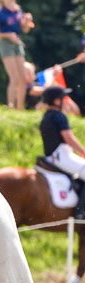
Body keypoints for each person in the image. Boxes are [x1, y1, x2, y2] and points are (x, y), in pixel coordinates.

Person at [0, 0, 35, 110]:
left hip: (17, 43)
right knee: (14, 77)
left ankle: (20, 108)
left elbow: (25, 30)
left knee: (23, 78)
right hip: (5, 44)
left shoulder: (18, 11)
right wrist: (7, 35)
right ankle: (10, 106)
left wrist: (26, 22)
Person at [40, 84, 85, 218]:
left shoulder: (46, 116)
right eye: (63, 98)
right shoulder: (59, 116)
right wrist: (83, 151)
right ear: (56, 101)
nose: (65, 101)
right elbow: (68, 138)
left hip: (52, 156)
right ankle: (80, 212)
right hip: (62, 156)